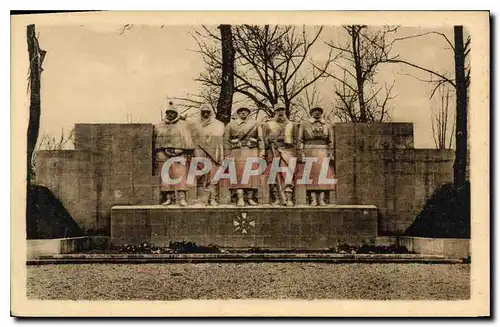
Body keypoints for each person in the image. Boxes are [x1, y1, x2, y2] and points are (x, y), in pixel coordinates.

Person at [153, 101, 195, 206]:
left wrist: (180, 150)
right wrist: (163, 150)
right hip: (164, 153)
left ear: (176, 113)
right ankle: (168, 198)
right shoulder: (160, 126)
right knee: (166, 176)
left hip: (179, 153)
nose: (170, 114)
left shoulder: (183, 125)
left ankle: (182, 198)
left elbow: (187, 140)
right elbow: (157, 140)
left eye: (172, 112)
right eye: (168, 112)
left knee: (180, 175)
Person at [224, 107, 265, 206]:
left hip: (252, 151)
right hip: (237, 151)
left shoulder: (255, 124)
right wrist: (227, 154)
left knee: (252, 176)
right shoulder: (231, 124)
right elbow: (226, 140)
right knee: (239, 175)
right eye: (240, 111)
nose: (243, 112)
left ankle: (250, 198)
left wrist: (262, 153)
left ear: (248, 113)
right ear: (237, 113)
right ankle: (240, 197)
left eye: (245, 111)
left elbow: (260, 139)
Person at [297, 106, 335, 206]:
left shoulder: (328, 124)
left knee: (324, 175)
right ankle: (313, 198)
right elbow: (300, 139)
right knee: (311, 175)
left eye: (319, 111)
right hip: (309, 150)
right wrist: (301, 152)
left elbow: (331, 140)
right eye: (315, 111)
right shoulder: (304, 124)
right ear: (311, 113)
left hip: (324, 150)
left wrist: (331, 153)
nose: (317, 113)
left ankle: (322, 198)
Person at [190, 104, 225, 206]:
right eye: (203, 112)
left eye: (207, 112)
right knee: (200, 176)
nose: (205, 114)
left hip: (213, 153)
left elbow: (220, 139)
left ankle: (213, 198)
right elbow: (192, 139)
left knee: (213, 176)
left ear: (211, 113)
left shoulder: (218, 124)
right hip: (199, 153)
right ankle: (201, 199)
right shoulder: (194, 125)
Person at [262, 104, 296, 206]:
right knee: (273, 175)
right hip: (272, 152)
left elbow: (298, 140)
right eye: (278, 111)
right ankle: (276, 197)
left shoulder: (292, 124)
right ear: (275, 112)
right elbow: (263, 141)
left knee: (287, 174)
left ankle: (288, 198)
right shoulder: (268, 124)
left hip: (287, 152)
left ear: (285, 111)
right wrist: (268, 140)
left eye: (282, 110)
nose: (280, 112)